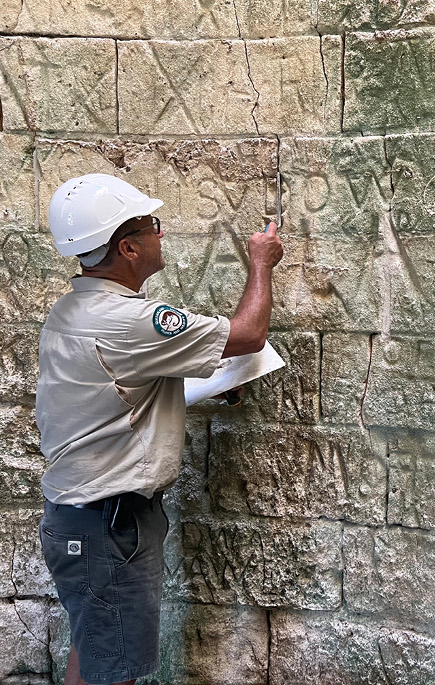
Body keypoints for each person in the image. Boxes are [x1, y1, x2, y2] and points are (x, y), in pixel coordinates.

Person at [34, 174, 283, 685]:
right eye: (153, 226)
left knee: (99, 651)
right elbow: (249, 335)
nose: (160, 235)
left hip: (83, 519)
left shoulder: (71, 311)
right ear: (127, 247)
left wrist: (197, 389)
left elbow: (115, 394)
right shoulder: (132, 320)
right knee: (116, 668)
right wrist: (260, 263)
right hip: (109, 525)